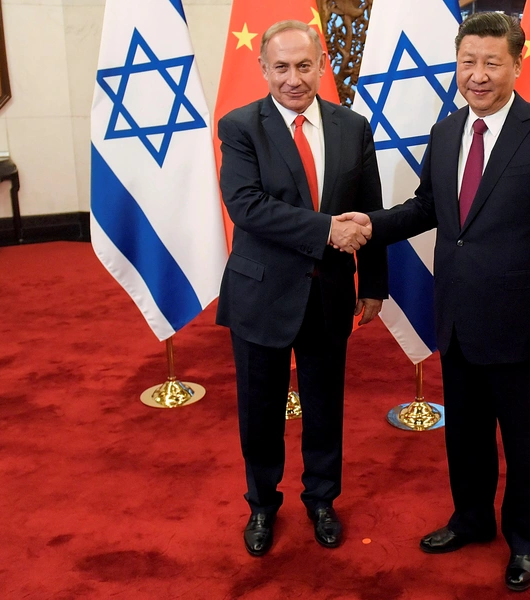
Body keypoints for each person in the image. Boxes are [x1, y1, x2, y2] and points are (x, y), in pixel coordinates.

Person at [337, 12, 530, 591]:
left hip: (525, 321)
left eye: (491, 63)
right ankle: (472, 519)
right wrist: (369, 225)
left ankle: (527, 540)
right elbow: (429, 207)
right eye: (467, 62)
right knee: (466, 433)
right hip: (455, 313)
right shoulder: (448, 130)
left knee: (525, 440)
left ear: (517, 65)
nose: (477, 76)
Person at [216, 20, 388, 557]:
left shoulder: (353, 127)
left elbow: (371, 210)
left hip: (330, 293)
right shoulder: (240, 126)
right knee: (260, 410)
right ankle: (263, 505)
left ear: (321, 66)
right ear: (264, 69)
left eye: (305, 65)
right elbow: (245, 205)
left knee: (324, 407)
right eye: (282, 67)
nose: (295, 78)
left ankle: (322, 500)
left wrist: (374, 284)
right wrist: (326, 230)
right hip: (260, 293)